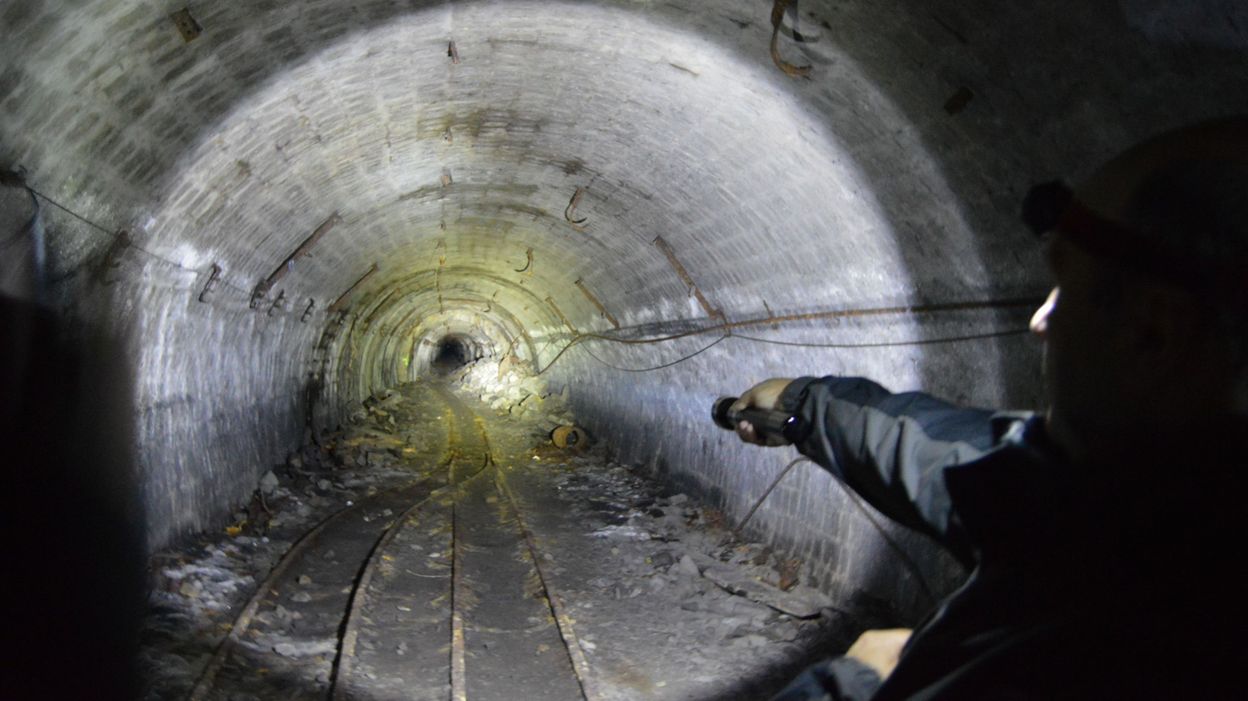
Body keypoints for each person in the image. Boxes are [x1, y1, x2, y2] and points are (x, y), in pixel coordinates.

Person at [731, 117, 1248, 699]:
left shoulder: (1123, 643)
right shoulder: (1142, 503)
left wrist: (862, 685)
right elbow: (979, 464)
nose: (1041, 319)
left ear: (1152, 333)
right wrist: (805, 404)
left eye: (1065, 285)